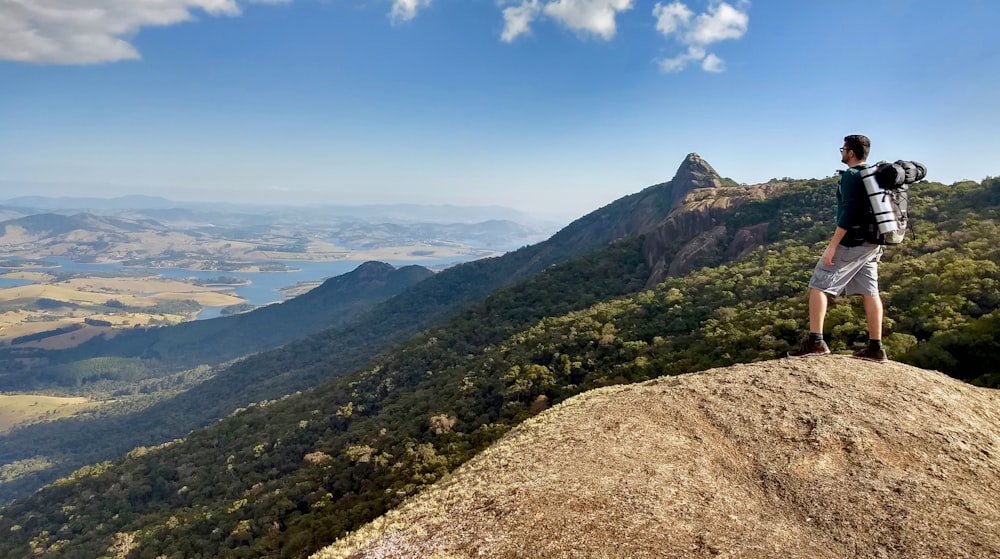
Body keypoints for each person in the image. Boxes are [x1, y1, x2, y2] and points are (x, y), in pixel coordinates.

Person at [788, 134, 887, 362]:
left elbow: (848, 213)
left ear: (851, 152)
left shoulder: (851, 175)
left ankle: (816, 342)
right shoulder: (872, 174)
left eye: (843, 149)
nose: (841, 152)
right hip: (873, 242)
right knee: (870, 291)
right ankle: (876, 347)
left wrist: (832, 247)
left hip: (853, 242)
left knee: (818, 285)